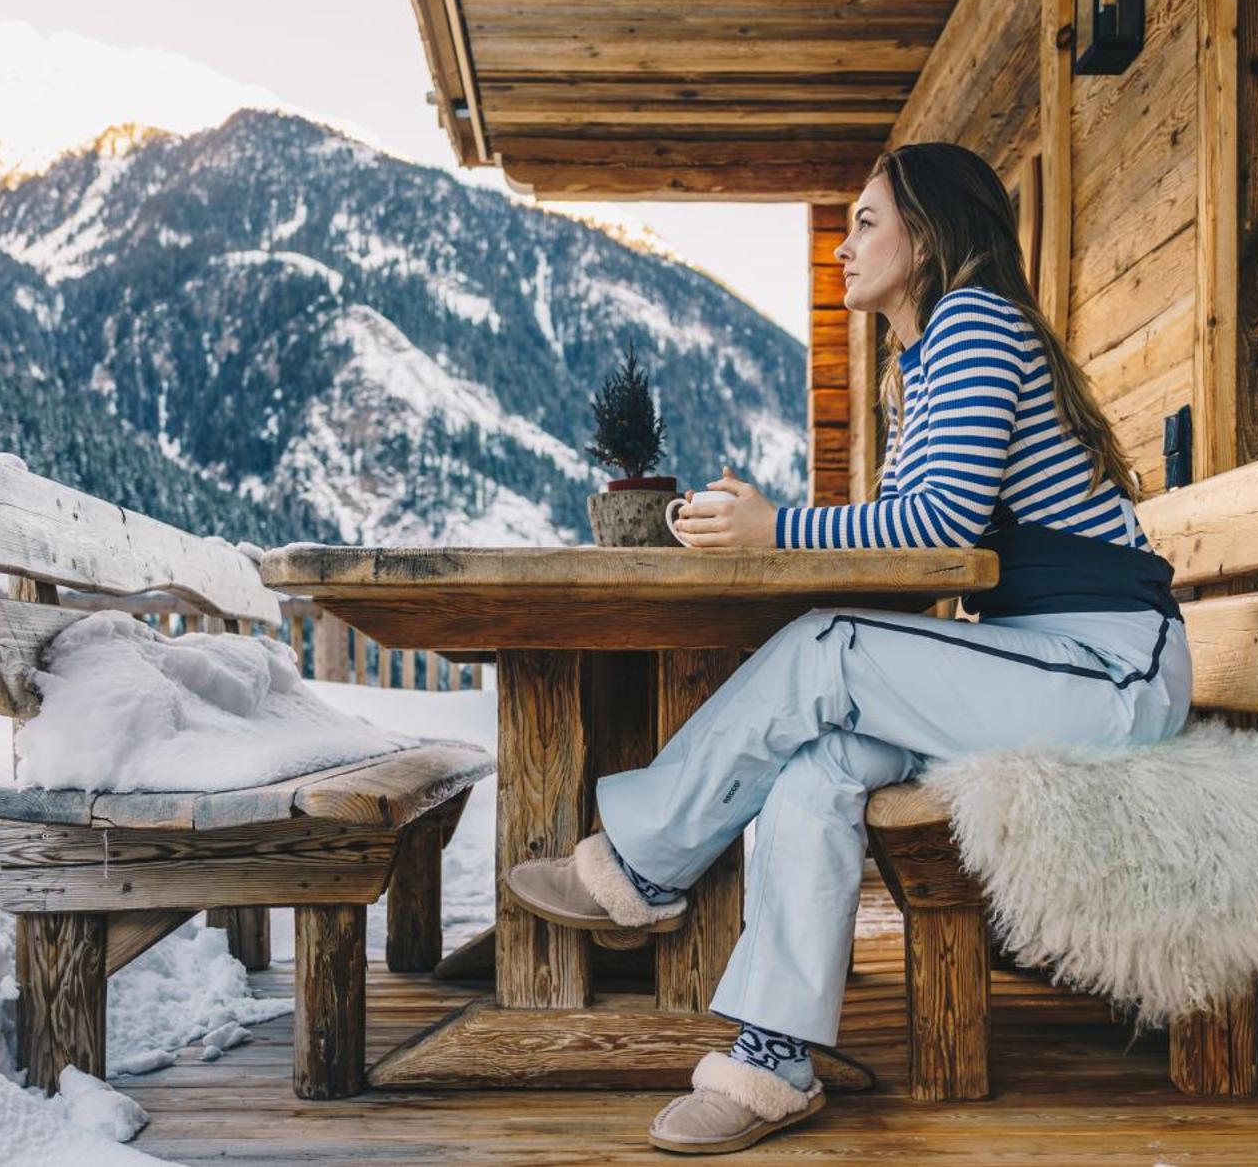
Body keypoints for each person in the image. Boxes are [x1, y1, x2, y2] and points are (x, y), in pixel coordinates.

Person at [505, 142, 1194, 1155]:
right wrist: (765, 531)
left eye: (866, 220)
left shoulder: (975, 324)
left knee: (822, 646)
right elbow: (921, 537)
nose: (842, 246)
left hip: (1104, 674)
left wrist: (774, 531)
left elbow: (934, 520)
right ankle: (769, 1062)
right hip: (1035, 667)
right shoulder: (929, 359)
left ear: (930, 232)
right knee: (816, 764)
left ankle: (643, 867)